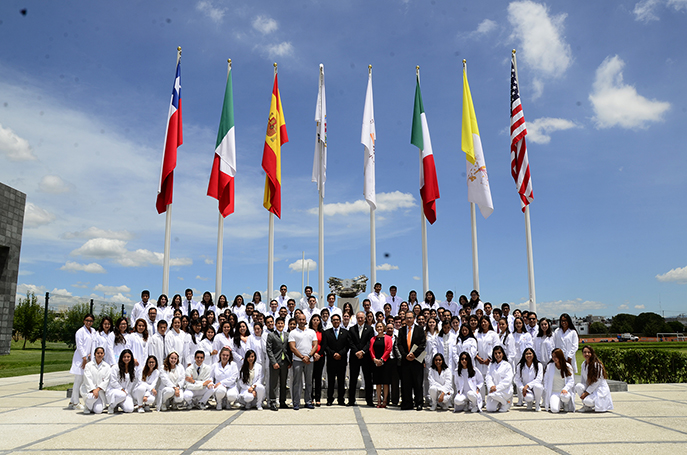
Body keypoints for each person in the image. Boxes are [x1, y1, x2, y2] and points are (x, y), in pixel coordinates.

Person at [289, 313, 318, 410]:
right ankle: (296, 402)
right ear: (297, 320)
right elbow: (292, 348)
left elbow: (315, 345)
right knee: (297, 382)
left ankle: (308, 401)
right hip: (298, 360)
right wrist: (302, 357)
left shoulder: (311, 332)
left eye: (303, 319)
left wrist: (309, 356)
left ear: (306, 320)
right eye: (300, 319)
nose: (302, 321)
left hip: (310, 360)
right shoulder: (293, 332)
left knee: (309, 382)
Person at [398, 311, 426, 411]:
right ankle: (407, 402)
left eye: (410, 318)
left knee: (418, 383)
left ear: (414, 319)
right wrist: (405, 355)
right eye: (407, 318)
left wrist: (414, 354)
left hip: (417, 360)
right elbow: (399, 344)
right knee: (406, 383)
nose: (409, 320)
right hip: (406, 361)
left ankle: (419, 403)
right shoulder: (401, 330)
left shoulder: (420, 329)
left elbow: (423, 344)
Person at [69, 313, 97, 409]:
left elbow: (93, 344)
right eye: (87, 320)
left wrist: (90, 355)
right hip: (81, 359)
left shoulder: (93, 331)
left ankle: (72, 401)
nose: (89, 322)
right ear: (84, 321)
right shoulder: (80, 332)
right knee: (78, 380)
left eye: (91, 321)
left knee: (83, 380)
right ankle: (76, 402)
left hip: (89, 358)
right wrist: (84, 358)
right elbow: (80, 346)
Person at [347, 311, 375, 407]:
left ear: (365, 318)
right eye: (358, 317)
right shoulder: (351, 329)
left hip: (366, 357)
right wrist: (357, 352)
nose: (360, 319)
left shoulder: (370, 329)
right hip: (354, 357)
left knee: (368, 379)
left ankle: (369, 400)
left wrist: (363, 351)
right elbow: (350, 342)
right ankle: (351, 400)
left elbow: (370, 342)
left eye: (362, 318)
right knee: (353, 379)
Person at [576, 345, 613, 412]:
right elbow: (583, 380)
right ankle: (586, 406)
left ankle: (588, 404)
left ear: (592, 353)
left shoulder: (597, 365)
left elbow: (596, 382)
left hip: (599, 390)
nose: (586, 354)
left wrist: (586, 393)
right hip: (590, 388)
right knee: (578, 386)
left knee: (587, 401)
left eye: (588, 352)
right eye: (584, 352)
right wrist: (584, 391)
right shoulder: (583, 364)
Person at [323, 314, 349, 406]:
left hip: (342, 360)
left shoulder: (345, 332)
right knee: (331, 381)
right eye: (334, 320)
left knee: (341, 381)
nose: (336, 321)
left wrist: (340, 354)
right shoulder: (326, 333)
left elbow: (347, 346)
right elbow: (325, 346)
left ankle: (341, 399)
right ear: (331, 321)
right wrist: (333, 353)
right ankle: (330, 399)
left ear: (340, 321)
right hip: (331, 360)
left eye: (337, 320)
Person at [266, 317, 292, 410]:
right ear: (275, 325)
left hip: (284, 362)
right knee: (273, 383)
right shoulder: (271, 335)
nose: (280, 325)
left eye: (282, 323)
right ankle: (272, 401)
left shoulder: (287, 335)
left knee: (283, 383)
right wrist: (274, 362)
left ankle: (282, 401)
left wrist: (289, 361)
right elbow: (269, 350)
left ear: (284, 325)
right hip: (275, 363)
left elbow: (289, 349)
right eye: (278, 323)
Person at [543, 348, 575, 413]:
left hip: (564, 392)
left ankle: (565, 404)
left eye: (556, 357)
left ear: (560, 356)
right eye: (553, 357)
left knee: (565, 397)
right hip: (554, 392)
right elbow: (546, 379)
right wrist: (547, 389)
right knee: (554, 410)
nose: (554, 358)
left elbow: (571, 381)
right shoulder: (550, 366)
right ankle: (559, 403)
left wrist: (565, 389)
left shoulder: (567, 366)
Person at [81, 346, 111, 414]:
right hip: (89, 390)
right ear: (94, 354)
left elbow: (106, 380)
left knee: (98, 411)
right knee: (91, 397)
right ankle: (87, 407)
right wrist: (93, 389)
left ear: (104, 354)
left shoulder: (107, 366)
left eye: (101, 353)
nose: (100, 355)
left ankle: (91, 407)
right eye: (98, 353)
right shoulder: (89, 365)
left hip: (99, 391)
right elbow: (87, 378)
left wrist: (97, 390)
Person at [369, 321, 392, 408]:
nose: (379, 328)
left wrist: (382, 359)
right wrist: (375, 359)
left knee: (385, 383)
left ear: (384, 328)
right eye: (378, 327)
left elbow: (389, 349)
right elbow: (371, 350)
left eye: (381, 327)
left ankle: (384, 401)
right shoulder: (373, 339)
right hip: (376, 363)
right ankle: (378, 401)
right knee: (378, 383)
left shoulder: (388, 338)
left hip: (385, 362)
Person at [107, 349, 138, 413]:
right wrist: (121, 389)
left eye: (128, 357)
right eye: (124, 357)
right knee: (121, 395)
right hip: (114, 390)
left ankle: (119, 403)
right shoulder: (115, 367)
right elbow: (113, 381)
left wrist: (126, 391)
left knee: (129, 409)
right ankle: (112, 406)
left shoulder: (133, 369)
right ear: (121, 358)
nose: (126, 358)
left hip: (126, 392)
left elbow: (131, 383)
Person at [485, 345, 513, 412]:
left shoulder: (507, 365)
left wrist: (496, 388)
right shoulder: (491, 365)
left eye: (499, 353)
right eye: (495, 353)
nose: (498, 355)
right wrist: (491, 386)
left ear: (503, 354)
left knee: (493, 394)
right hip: (494, 390)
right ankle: (500, 403)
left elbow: (508, 380)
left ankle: (505, 403)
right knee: (490, 409)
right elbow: (488, 377)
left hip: (504, 390)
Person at [309, 314, 325, 406]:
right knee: (310, 378)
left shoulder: (322, 332)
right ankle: (310, 398)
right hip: (310, 357)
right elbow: (307, 343)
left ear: (320, 322)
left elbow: (324, 344)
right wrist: (312, 353)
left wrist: (318, 354)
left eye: (317, 320)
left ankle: (318, 398)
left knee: (318, 378)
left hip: (320, 357)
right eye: (314, 320)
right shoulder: (308, 332)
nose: (315, 321)